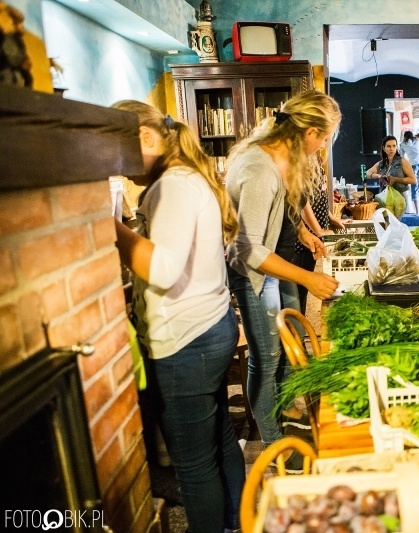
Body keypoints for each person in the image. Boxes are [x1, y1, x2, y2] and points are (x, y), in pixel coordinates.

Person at [111, 100, 244, 533]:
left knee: (193, 464)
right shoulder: (182, 181)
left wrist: (107, 226)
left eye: (118, 151)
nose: (117, 166)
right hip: (208, 328)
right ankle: (237, 521)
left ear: (145, 138)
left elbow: (164, 270)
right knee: (219, 438)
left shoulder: (173, 187)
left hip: (188, 342)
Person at [225, 91, 341, 471]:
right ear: (309, 132)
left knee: (281, 349)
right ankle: (274, 443)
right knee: (267, 356)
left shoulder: (276, 158)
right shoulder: (259, 169)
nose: (323, 146)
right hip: (253, 275)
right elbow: (250, 250)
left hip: (269, 269)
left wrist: (305, 235)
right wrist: (308, 277)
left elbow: (277, 213)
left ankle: (284, 417)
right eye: (324, 138)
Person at [292, 153, 345, 314]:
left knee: (302, 289)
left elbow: (320, 196)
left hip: (314, 236)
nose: (323, 144)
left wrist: (331, 218)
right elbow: (302, 203)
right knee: (298, 291)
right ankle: (296, 332)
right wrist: (317, 230)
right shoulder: (301, 162)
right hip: (303, 241)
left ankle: (298, 328)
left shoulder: (318, 163)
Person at [367, 135, 417, 215]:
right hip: (384, 200)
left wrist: (396, 179)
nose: (391, 149)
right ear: (383, 148)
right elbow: (367, 173)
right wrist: (379, 176)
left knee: (397, 224)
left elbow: (413, 180)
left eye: (394, 146)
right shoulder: (381, 163)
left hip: (399, 199)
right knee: (386, 224)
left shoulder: (402, 161)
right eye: (388, 146)